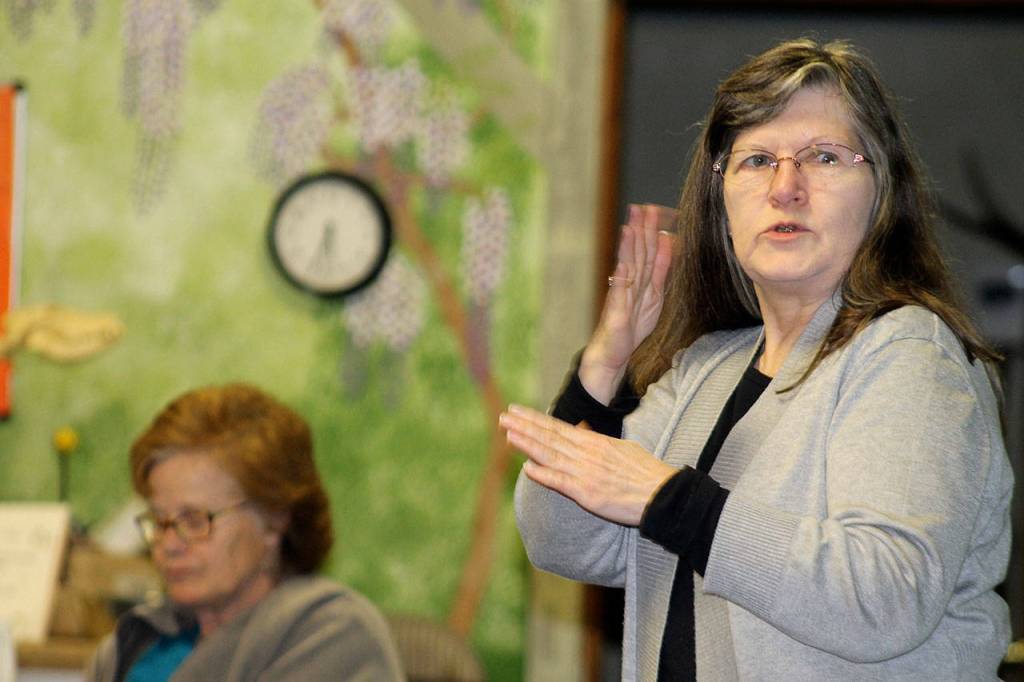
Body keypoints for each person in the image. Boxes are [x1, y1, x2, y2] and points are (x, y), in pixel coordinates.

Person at [502, 38, 1014, 681]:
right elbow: (565, 542)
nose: (785, 189)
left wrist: (669, 500)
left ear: (882, 192)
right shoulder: (708, 369)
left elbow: (886, 596)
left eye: (824, 157)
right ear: (721, 200)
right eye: (757, 161)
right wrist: (604, 368)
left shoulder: (909, 354)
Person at [85, 383, 405, 682]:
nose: (168, 545)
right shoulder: (135, 639)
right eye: (159, 520)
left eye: (195, 520)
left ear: (274, 518)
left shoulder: (332, 634)